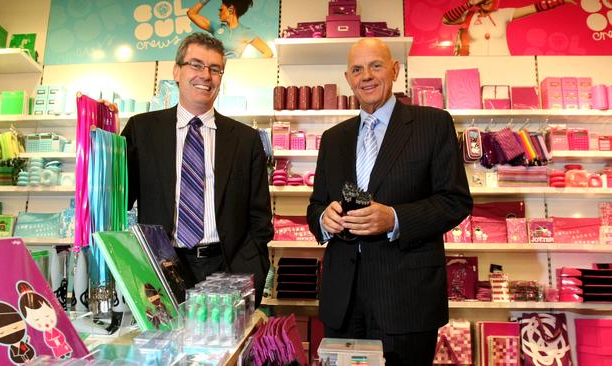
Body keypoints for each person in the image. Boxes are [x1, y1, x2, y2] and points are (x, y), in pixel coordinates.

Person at [307, 38, 473, 365]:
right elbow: (316, 206)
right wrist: (323, 221)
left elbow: (455, 201)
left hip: (405, 299)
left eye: (376, 65)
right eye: (357, 69)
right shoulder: (334, 139)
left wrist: (395, 219)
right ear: (348, 78)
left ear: (395, 70)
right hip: (343, 300)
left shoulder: (433, 124)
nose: (366, 75)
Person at [122, 32, 273, 307]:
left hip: (228, 269)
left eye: (215, 69)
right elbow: (119, 200)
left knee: (226, 348)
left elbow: (260, 218)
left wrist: (254, 270)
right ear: (176, 71)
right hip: (162, 266)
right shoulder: (141, 130)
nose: (206, 75)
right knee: (166, 347)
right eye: (196, 64)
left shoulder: (245, 139)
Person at [442, 0, 575, 56]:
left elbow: (534, 8)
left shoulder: (504, 13)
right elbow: (446, 19)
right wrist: (469, 3)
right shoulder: (469, 16)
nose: (486, 2)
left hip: (503, 63)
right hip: (474, 65)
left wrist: (560, 1)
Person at [187, 0, 273, 58]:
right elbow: (191, 13)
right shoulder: (216, 27)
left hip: (232, 75)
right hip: (215, 72)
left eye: (221, 10)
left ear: (231, 9)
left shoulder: (246, 32)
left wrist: (252, 69)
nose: (219, 13)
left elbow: (268, 52)